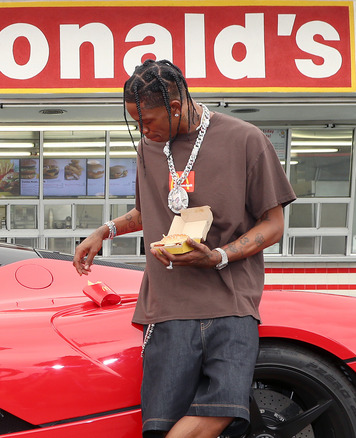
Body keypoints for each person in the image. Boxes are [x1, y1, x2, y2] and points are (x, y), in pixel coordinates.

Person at [73, 59, 296, 438]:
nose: (143, 130)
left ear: (176, 107)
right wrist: (104, 230)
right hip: (167, 308)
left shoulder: (245, 139)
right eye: (137, 122)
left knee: (222, 410)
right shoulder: (149, 148)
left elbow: (273, 224)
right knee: (161, 424)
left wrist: (219, 256)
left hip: (231, 304)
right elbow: (148, 212)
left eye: (148, 121)